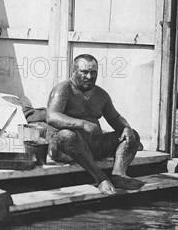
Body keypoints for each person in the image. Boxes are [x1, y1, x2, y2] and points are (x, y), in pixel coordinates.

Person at [47, 54, 144, 195]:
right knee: (67, 135)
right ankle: (101, 178)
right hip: (65, 148)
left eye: (93, 72)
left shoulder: (101, 94)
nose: (89, 76)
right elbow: (52, 116)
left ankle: (118, 175)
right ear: (73, 72)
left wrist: (126, 128)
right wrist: (82, 124)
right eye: (84, 72)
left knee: (131, 135)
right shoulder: (63, 90)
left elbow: (115, 118)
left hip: (93, 147)